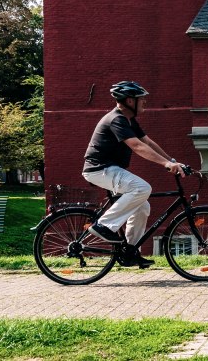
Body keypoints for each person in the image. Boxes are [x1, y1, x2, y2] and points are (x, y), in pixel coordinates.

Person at [81, 80, 189, 268]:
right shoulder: (117, 119)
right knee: (142, 188)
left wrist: (171, 161)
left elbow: (147, 142)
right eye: (142, 99)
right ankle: (104, 225)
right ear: (131, 101)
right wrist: (164, 163)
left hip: (111, 169)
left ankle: (131, 252)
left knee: (142, 206)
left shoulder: (129, 120)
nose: (145, 102)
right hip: (99, 169)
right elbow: (137, 146)